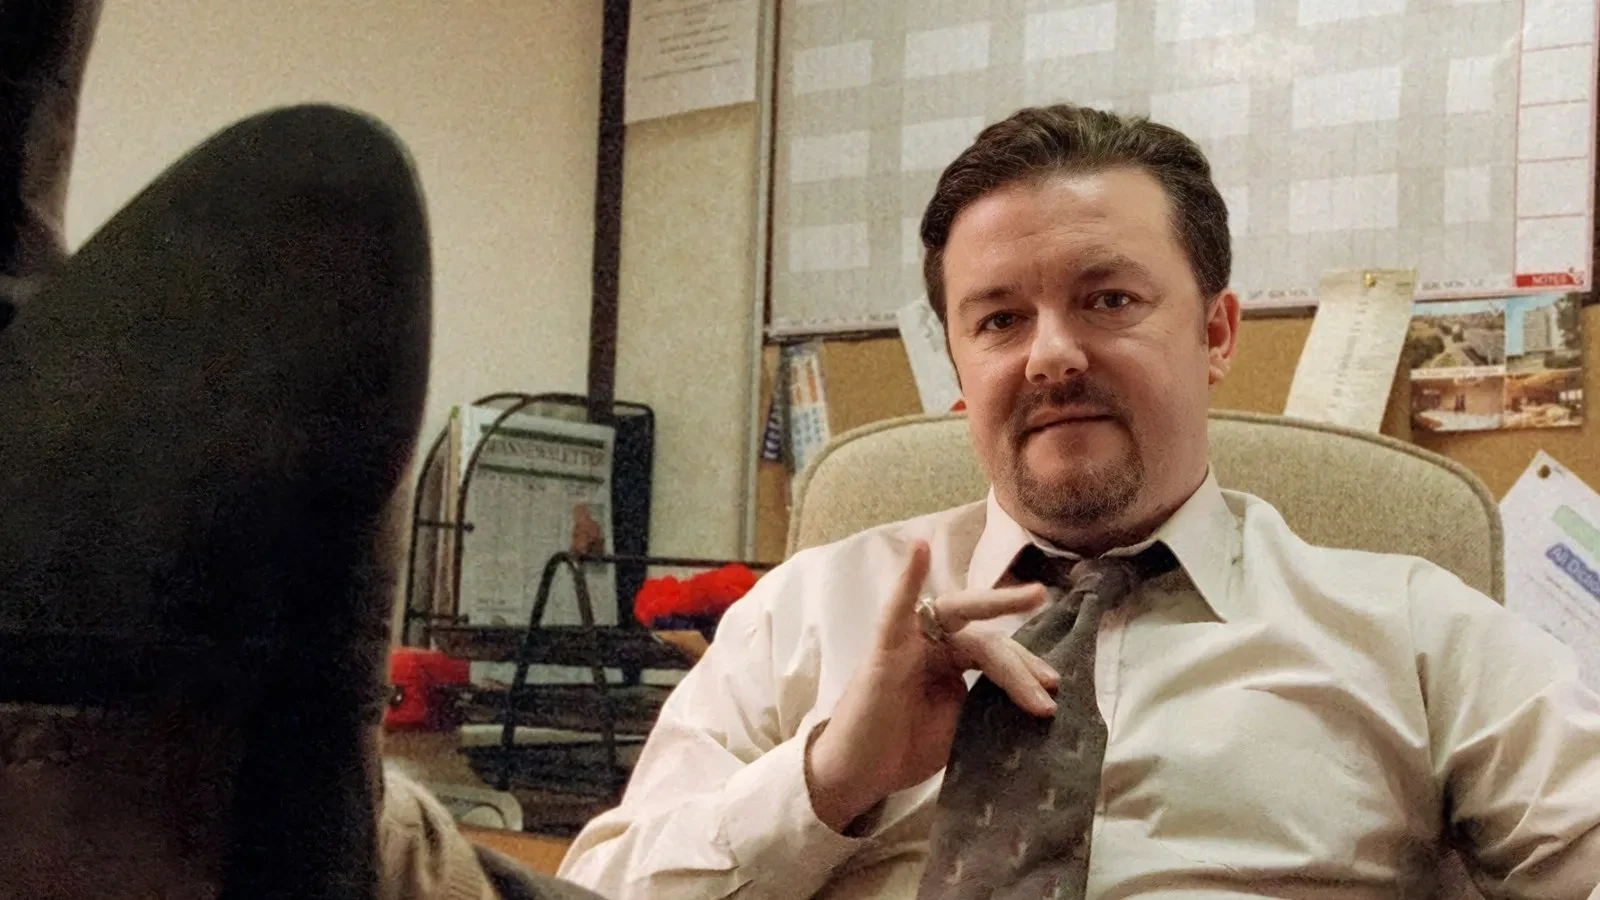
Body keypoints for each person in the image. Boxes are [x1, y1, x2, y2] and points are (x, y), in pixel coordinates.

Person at [558, 104, 1600, 898]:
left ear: (1216, 335)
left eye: (1109, 300)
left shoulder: (1411, 631)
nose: (1052, 354)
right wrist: (828, 779)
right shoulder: (810, 609)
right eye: (1000, 319)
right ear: (962, 370)